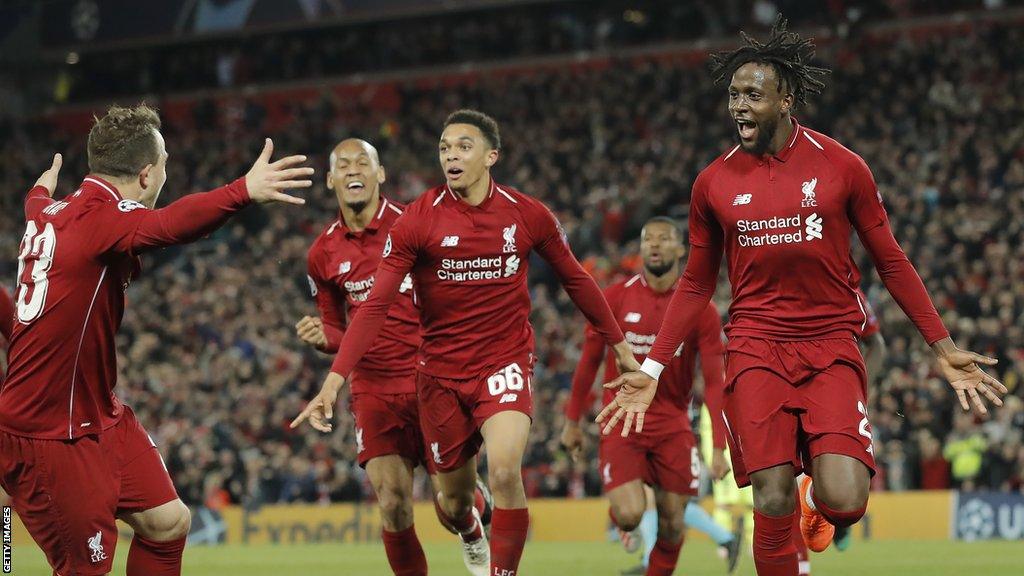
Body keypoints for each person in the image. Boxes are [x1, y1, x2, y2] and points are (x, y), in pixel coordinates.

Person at [598, 18, 1005, 576]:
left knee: (846, 501)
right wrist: (652, 364)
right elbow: (696, 283)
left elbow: (890, 259)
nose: (739, 106)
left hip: (831, 343)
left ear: (786, 99)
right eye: (734, 94)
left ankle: (819, 499)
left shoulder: (841, 167)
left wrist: (941, 344)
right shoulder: (712, 183)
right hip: (756, 346)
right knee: (769, 497)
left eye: (753, 95)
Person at [293, 109, 638, 576]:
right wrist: (333, 383)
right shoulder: (417, 221)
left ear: (491, 156)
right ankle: (472, 524)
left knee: (504, 470)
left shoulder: (527, 213)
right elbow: (372, 308)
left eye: (462, 147)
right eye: (444, 149)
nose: (451, 156)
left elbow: (576, 279)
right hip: (436, 375)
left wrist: (620, 347)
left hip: (504, 361)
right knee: (451, 506)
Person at [0, 104, 312, 576]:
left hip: (98, 415)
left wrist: (41, 187)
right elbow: (169, 225)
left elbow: (36, 201)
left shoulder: (51, 213)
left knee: (168, 523)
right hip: (50, 434)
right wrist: (241, 191)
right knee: (86, 570)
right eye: (165, 161)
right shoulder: (103, 219)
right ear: (146, 175)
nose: (168, 171)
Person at [295, 138, 490, 575]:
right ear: (330, 180)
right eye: (342, 165)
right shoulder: (321, 253)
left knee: (454, 505)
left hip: (433, 378)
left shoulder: (416, 223)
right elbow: (338, 330)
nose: (352, 170)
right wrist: (320, 335)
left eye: (362, 162)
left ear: (380, 174)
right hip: (374, 389)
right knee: (394, 503)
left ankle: (472, 521)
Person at [561, 216, 739, 575]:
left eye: (663, 239)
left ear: (679, 249)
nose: (654, 245)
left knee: (673, 523)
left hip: (672, 424)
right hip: (622, 420)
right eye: (647, 240)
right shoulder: (614, 297)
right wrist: (572, 421)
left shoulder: (700, 309)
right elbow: (589, 361)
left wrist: (719, 448)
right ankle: (621, 521)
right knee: (629, 515)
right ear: (640, 249)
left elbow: (715, 381)